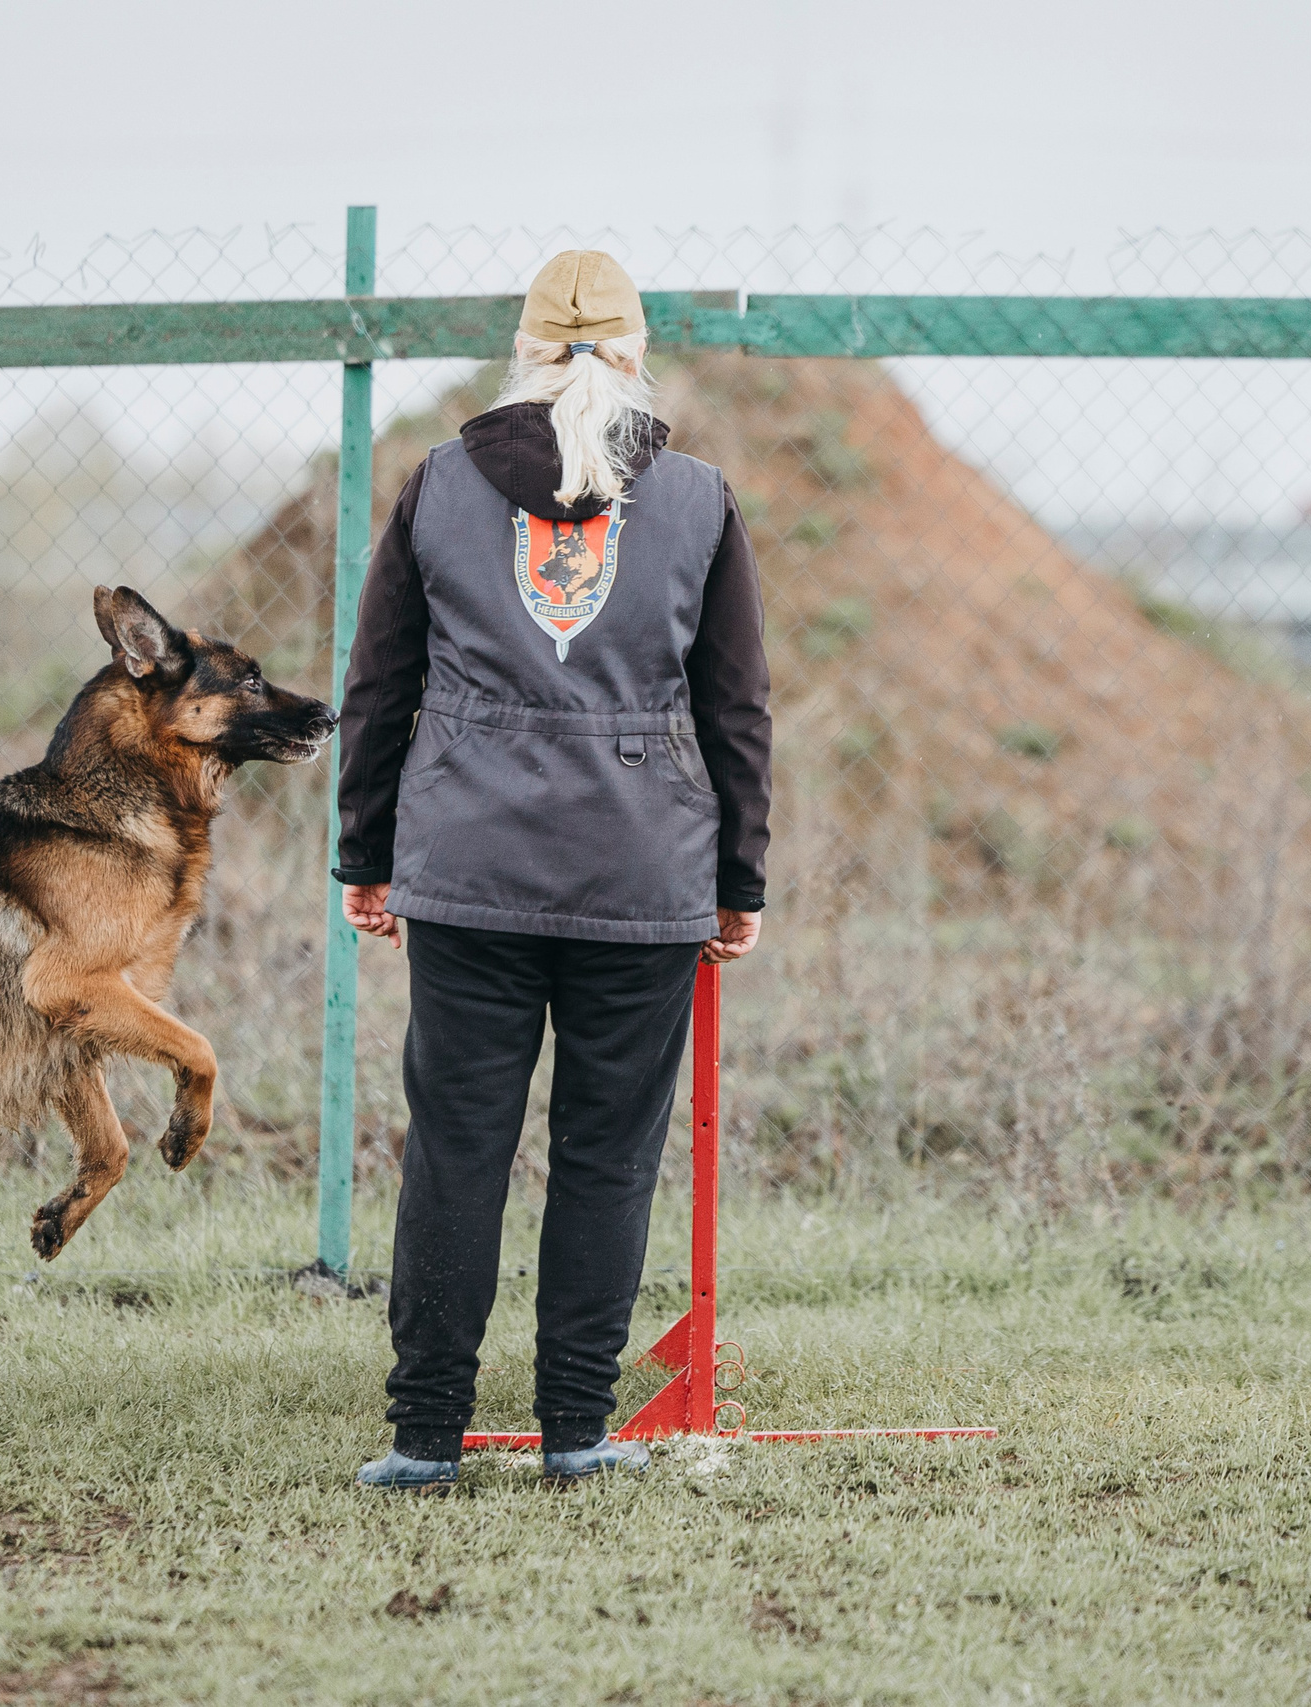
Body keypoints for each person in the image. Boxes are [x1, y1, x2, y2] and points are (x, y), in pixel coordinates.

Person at [333, 250, 772, 1489]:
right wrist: (737, 880)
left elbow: (379, 686)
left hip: (467, 866)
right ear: (636, 354)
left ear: (521, 352)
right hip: (642, 872)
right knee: (606, 1154)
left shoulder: (436, 485)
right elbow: (736, 708)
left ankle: (424, 1437)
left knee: (456, 1148)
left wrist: (366, 853)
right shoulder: (696, 498)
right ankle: (575, 1430)